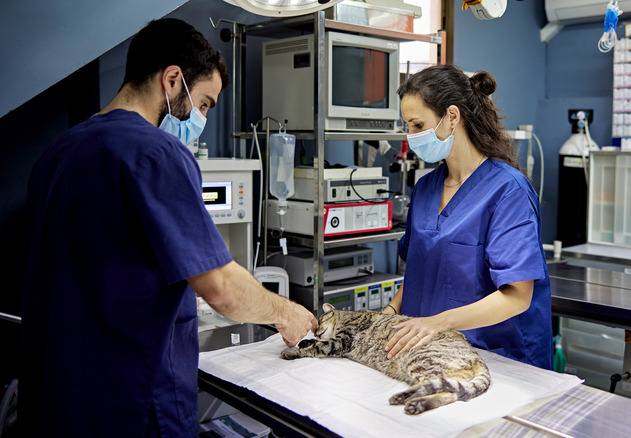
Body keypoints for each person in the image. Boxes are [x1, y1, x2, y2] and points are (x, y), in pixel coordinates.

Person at [20, 18, 317, 437]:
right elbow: (222, 290)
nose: (204, 118)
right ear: (173, 80)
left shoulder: (57, 155)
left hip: (57, 401)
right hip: (130, 405)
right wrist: (284, 312)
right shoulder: (158, 154)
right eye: (205, 104)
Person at [382, 64, 553, 370]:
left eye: (418, 125)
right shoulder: (425, 188)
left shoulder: (507, 191)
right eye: (407, 126)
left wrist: (436, 323)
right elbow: (420, 273)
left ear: (451, 117)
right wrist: (390, 314)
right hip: (432, 356)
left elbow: (517, 296)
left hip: (497, 359)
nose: (410, 137)